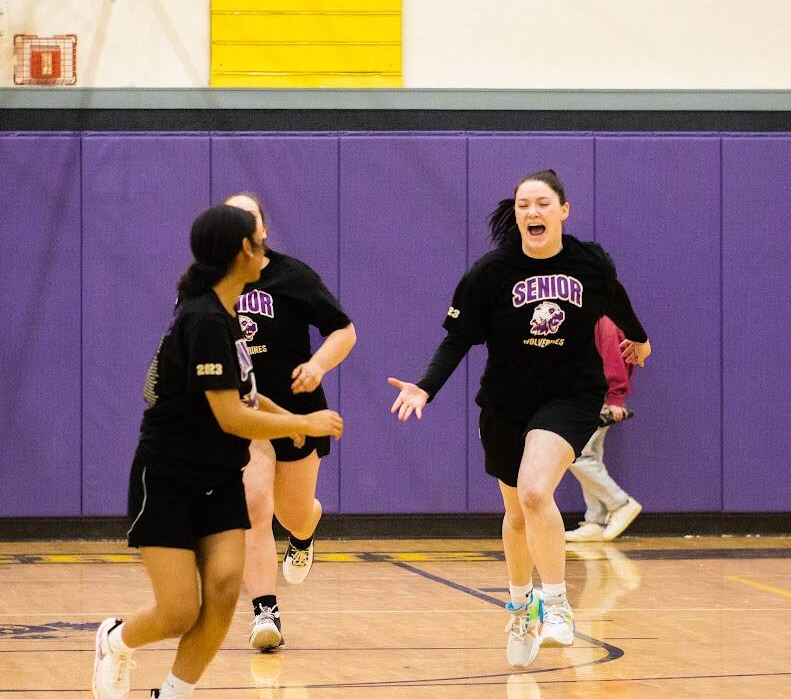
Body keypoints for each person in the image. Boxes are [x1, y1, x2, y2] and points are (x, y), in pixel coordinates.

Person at [387, 169, 650, 668]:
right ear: (516, 213)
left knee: (534, 491)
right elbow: (458, 338)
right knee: (516, 514)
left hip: (570, 395)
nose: (532, 212)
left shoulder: (589, 262)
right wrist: (426, 386)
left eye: (543, 204)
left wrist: (639, 337)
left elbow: (616, 300)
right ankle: (520, 604)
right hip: (506, 403)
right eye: (524, 204)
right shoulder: (490, 273)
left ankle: (556, 605)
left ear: (563, 211)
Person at [92, 204, 343, 699]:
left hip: (220, 476)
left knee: (225, 594)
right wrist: (300, 421)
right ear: (241, 252)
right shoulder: (204, 319)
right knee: (179, 610)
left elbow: (246, 393)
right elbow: (230, 415)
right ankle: (116, 641)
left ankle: (171, 693)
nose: (266, 245)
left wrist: (278, 413)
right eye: (258, 239)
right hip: (170, 477)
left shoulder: (228, 314)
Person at [224, 193, 356, 651]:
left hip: (297, 412)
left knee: (292, 514)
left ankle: (306, 529)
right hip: (244, 417)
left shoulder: (292, 276)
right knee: (254, 504)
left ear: (264, 229)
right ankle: (265, 611)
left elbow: (344, 329)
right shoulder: (208, 284)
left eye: (251, 219)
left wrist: (318, 366)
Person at [565, 316, 643, 542]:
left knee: (575, 455)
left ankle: (620, 503)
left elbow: (614, 359)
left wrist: (615, 398)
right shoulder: (599, 319)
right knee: (590, 457)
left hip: (596, 397)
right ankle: (596, 521)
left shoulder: (604, 321)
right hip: (589, 395)